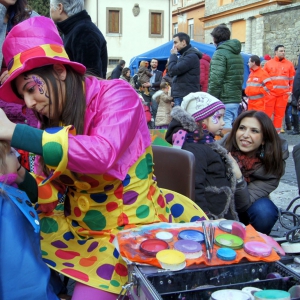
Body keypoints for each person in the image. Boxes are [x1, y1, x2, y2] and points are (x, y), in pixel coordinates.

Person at [0, 17, 207, 299]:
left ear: (59, 71)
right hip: (83, 235)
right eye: (22, 95)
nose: (28, 103)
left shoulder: (118, 96)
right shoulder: (49, 121)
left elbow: (101, 154)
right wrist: (20, 175)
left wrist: (15, 132)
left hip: (134, 234)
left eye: (31, 88)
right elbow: (52, 194)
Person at [0, 141, 60, 300]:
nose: (17, 156)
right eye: (11, 153)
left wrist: (17, 170)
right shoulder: (6, 203)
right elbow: (20, 265)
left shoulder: (10, 186)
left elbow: (33, 192)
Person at [165, 92, 239, 220]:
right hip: (210, 215)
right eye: (219, 117)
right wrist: (204, 218)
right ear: (202, 120)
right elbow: (194, 186)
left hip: (217, 209)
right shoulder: (196, 148)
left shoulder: (203, 142)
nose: (222, 123)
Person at [219, 110, 289, 234]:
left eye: (254, 131)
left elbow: (242, 205)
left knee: (264, 211)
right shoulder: (223, 146)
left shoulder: (273, 163)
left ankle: (256, 241)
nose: (245, 135)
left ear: (263, 139)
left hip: (246, 205)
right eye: (242, 128)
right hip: (219, 204)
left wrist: (238, 177)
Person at [0, 0, 39, 170]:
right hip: (4, 114)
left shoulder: (29, 18)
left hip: (25, 112)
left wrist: (18, 69)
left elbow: (42, 60)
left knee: (25, 171)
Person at [50, 0, 107, 79]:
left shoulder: (84, 32)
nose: (50, 10)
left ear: (60, 8)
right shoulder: (71, 30)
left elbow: (90, 78)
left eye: (51, 6)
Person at [208, 24, 244, 129]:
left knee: (224, 126)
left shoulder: (220, 53)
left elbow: (216, 79)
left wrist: (211, 98)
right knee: (231, 125)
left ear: (215, 39)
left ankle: (226, 146)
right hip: (235, 97)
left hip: (224, 98)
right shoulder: (237, 53)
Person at [263, 45, 295, 133]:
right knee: (267, 114)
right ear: (275, 52)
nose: (283, 52)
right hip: (270, 94)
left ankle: (277, 134)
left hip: (283, 95)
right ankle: (267, 132)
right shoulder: (268, 64)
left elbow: (292, 81)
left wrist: (290, 93)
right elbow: (263, 79)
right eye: (281, 51)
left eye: (284, 51)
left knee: (279, 115)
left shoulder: (289, 64)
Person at [168, 32, 202, 107]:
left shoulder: (191, 56)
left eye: (176, 42)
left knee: (181, 118)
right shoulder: (186, 55)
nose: (174, 46)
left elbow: (172, 70)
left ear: (183, 42)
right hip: (183, 94)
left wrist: (173, 55)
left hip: (184, 95)